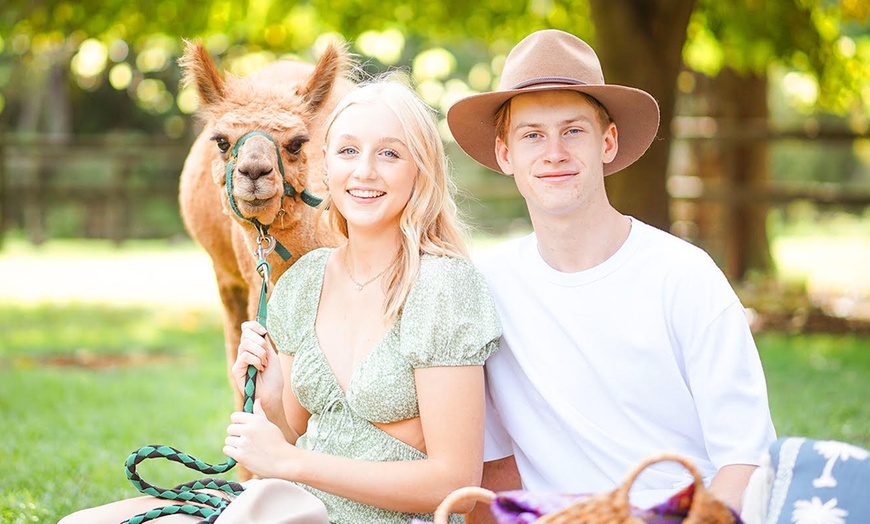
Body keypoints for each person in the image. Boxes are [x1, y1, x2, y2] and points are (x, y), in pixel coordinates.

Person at [60, 77, 501, 524]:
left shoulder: (443, 288)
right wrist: (271, 400)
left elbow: (455, 485)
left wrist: (293, 465)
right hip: (291, 507)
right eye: (348, 151)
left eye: (389, 153)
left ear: (422, 168)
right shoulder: (303, 282)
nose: (365, 170)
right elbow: (297, 437)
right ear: (323, 165)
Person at [445, 29, 776, 520]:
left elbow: (746, 460)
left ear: (608, 141)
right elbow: (494, 469)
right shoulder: (485, 288)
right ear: (504, 154)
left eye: (573, 130)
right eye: (532, 134)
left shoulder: (682, 275)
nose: (554, 151)